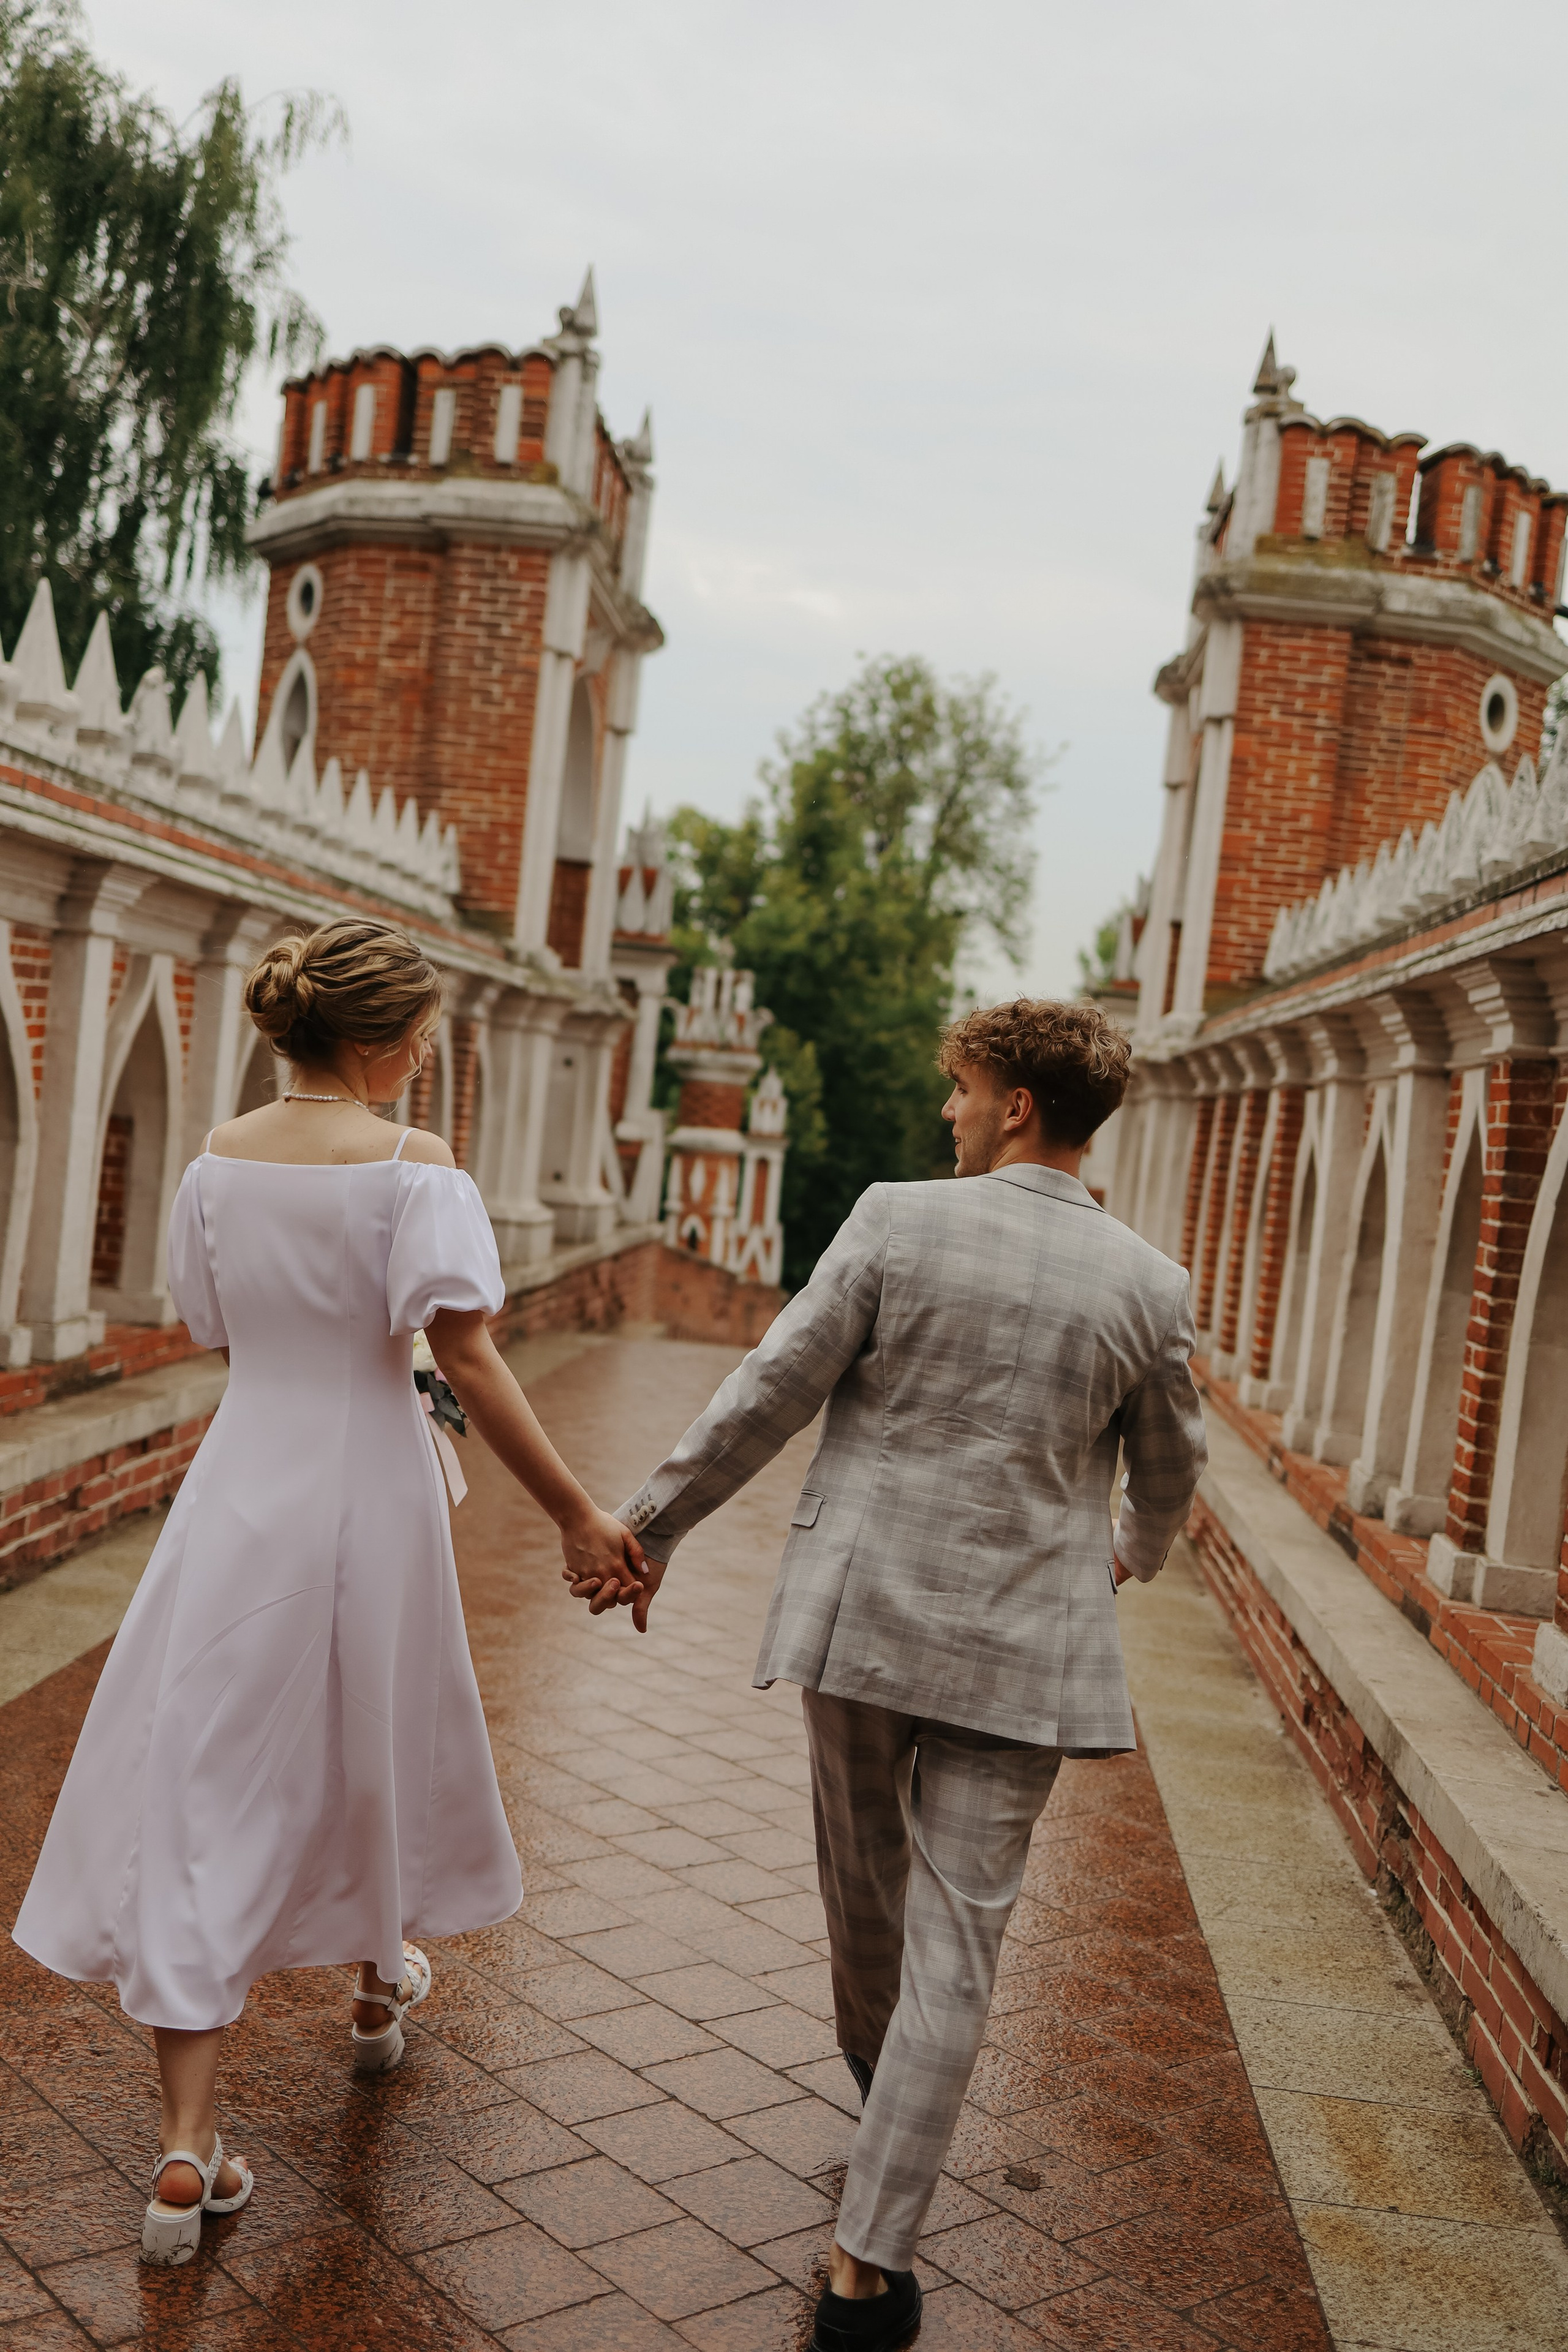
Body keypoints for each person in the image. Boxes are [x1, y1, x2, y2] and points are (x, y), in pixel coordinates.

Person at [569, 998, 1207, 2352]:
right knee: (960, 1943)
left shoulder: (896, 1219)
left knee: (865, 1894)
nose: (947, 1113)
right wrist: (1122, 1555)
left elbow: (770, 1386)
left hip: (860, 1620)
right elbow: (1168, 1474)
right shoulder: (1150, 1285)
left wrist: (651, 1529)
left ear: (1016, 1105)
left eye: (960, 1091)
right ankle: (868, 2265)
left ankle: (884, 2103)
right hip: (1031, 1644)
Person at [13, 918, 644, 2267]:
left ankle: (188, 2147)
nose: (424, 1054)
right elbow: (465, 1358)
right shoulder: (420, 1172)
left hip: (244, 1481)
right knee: (382, 1720)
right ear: (379, 1039)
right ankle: (376, 1979)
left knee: (205, 1769)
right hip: (372, 1490)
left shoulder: (215, 1162)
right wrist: (579, 1513)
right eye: (419, 1033)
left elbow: (209, 1326)